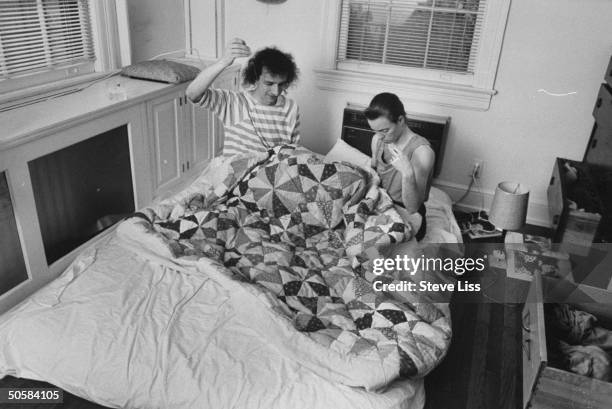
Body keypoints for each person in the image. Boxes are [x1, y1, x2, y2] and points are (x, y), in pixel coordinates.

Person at [186, 38, 300, 157]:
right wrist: (224, 62)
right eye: (269, 84)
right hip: (239, 174)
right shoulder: (234, 103)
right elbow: (192, 94)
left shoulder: (291, 107)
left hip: (274, 173)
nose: (276, 92)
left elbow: (291, 151)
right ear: (255, 78)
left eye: (281, 84)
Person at [364, 93, 435, 241]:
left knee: (371, 244)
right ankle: (367, 260)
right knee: (352, 233)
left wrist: (407, 172)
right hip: (381, 206)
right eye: (375, 130)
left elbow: (413, 207)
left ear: (401, 120)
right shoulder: (377, 140)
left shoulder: (422, 152)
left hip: (407, 213)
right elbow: (374, 177)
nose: (380, 136)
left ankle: (372, 261)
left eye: (385, 130)